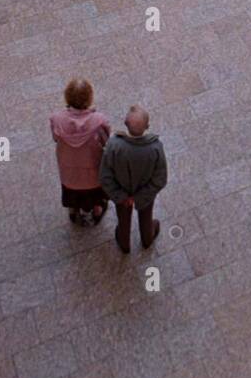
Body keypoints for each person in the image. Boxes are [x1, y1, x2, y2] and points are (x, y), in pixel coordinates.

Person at [99, 104, 168, 255]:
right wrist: (140, 197)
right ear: (147, 126)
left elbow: (105, 176)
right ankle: (147, 238)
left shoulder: (113, 145)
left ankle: (124, 243)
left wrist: (122, 197)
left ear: (125, 123)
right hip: (145, 195)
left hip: (121, 195)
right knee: (146, 216)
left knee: (123, 220)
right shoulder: (155, 147)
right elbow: (160, 178)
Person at [50, 78, 111, 227]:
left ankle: (73, 209)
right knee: (94, 192)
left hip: (68, 171)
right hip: (92, 171)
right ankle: (96, 210)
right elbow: (106, 141)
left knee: (71, 190)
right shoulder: (99, 120)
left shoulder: (56, 119)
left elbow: (55, 138)